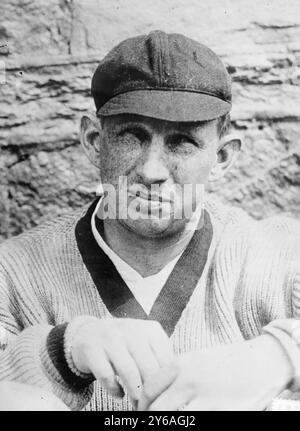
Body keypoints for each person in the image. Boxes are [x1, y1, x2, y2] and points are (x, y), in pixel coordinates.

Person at [0, 30, 299, 411]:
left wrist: (281, 353)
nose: (152, 171)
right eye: (131, 136)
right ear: (94, 141)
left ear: (222, 157)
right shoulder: (12, 273)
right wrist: (61, 349)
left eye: (182, 142)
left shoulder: (280, 259)